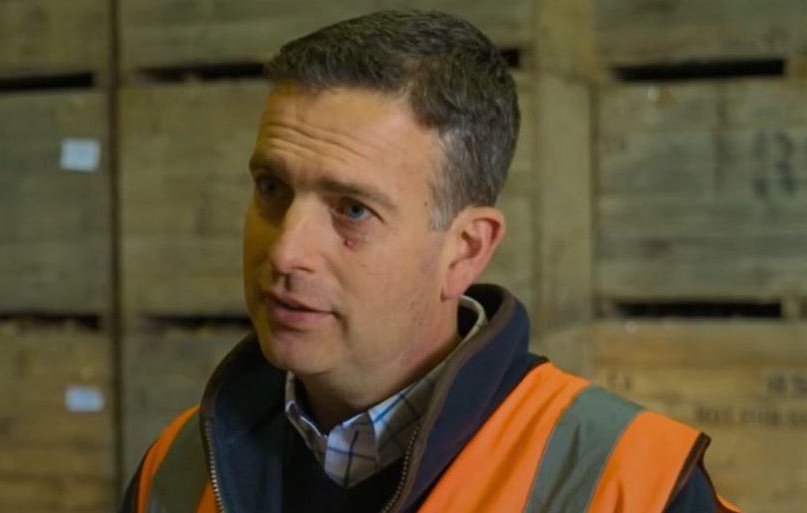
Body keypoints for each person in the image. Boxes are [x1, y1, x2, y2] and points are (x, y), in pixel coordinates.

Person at [119, 10, 740, 513]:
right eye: (272, 189)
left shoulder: (634, 487)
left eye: (353, 210)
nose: (285, 250)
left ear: (464, 250)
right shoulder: (172, 472)